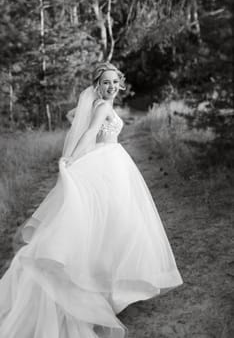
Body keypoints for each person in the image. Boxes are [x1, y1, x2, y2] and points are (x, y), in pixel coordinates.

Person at [0, 62, 183, 338]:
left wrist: (83, 112)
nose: (111, 87)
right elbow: (88, 132)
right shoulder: (102, 107)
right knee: (117, 223)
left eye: (114, 82)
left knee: (114, 224)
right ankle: (107, 289)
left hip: (113, 162)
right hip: (107, 163)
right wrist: (71, 158)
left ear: (120, 83)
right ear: (98, 85)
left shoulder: (97, 103)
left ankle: (108, 286)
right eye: (105, 82)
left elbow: (72, 115)